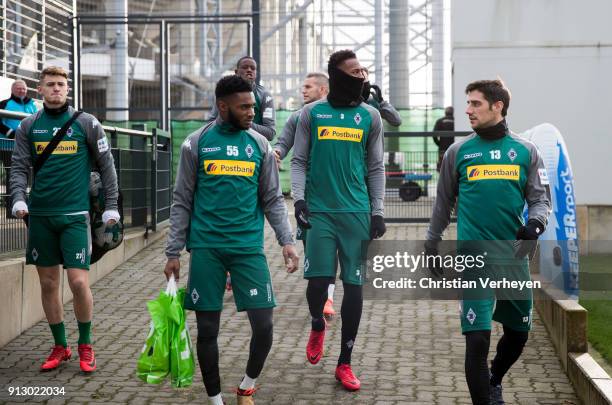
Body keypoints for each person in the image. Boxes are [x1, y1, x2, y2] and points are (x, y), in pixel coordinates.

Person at [165, 74, 299, 405]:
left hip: (248, 251)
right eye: (244, 107)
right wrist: (173, 252)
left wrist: (287, 240)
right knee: (208, 331)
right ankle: (215, 399)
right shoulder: (196, 143)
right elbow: (182, 199)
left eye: (253, 105)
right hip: (207, 251)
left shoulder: (260, 145)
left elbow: (271, 199)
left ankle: (247, 387)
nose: (252, 112)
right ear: (223, 107)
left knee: (264, 326)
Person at [425, 79, 551, 405]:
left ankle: (496, 377)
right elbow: (442, 204)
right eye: (468, 103)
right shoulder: (458, 151)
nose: (468, 110)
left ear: (498, 106)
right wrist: (432, 243)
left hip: (512, 257)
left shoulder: (525, 151)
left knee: (518, 334)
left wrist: (535, 224)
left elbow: (540, 200)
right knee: (477, 340)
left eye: (475, 104)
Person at [10, 66, 120, 373]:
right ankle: (61, 346)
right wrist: (18, 198)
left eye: (61, 84)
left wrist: (112, 206)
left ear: (67, 90)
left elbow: (107, 166)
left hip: (75, 216)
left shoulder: (86, 123)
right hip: (40, 217)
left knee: (78, 282)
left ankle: (86, 344)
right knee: (47, 283)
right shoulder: (29, 126)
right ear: (40, 91)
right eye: (50, 84)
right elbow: (18, 167)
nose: (56, 88)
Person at [291, 49, 386, 391]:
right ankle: (317, 323)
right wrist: (299, 198)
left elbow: (375, 167)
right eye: (355, 71)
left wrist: (378, 211)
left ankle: (345, 362)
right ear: (338, 75)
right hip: (319, 213)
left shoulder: (370, 117)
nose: (362, 75)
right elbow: (299, 160)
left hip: (356, 214)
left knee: (355, 287)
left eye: (363, 70)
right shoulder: (311, 114)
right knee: (317, 285)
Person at [272, 72, 338, 318]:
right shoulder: (297, 117)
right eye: (303, 86)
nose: (303, 90)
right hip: (308, 196)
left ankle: (328, 298)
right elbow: (283, 143)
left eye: (308, 87)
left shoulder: (340, 117)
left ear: (323, 90)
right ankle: (319, 290)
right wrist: (277, 153)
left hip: (337, 197)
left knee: (331, 249)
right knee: (314, 248)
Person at [208, 56, 276, 141]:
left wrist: (240, 122)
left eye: (253, 68)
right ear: (236, 72)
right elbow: (210, 123)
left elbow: (270, 133)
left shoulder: (265, 96)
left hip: (253, 147)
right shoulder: (225, 92)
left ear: (256, 73)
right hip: (226, 142)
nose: (249, 70)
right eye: (244, 67)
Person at [0, 79, 38, 210]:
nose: (22, 91)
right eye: (18, 88)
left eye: (24, 88)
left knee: (27, 176)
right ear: (12, 90)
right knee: (12, 174)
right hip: (7, 145)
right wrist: (10, 133)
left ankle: (23, 206)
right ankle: (12, 209)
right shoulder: (5, 103)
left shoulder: (33, 105)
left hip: (27, 146)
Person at [433, 106, 455, 171]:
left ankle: (443, 180)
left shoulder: (439, 121)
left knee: (442, 167)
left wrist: (439, 143)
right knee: (453, 166)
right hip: (454, 148)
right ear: (453, 113)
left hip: (443, 148)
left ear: (445, 112)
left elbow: (434, 135)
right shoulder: (457, 121)